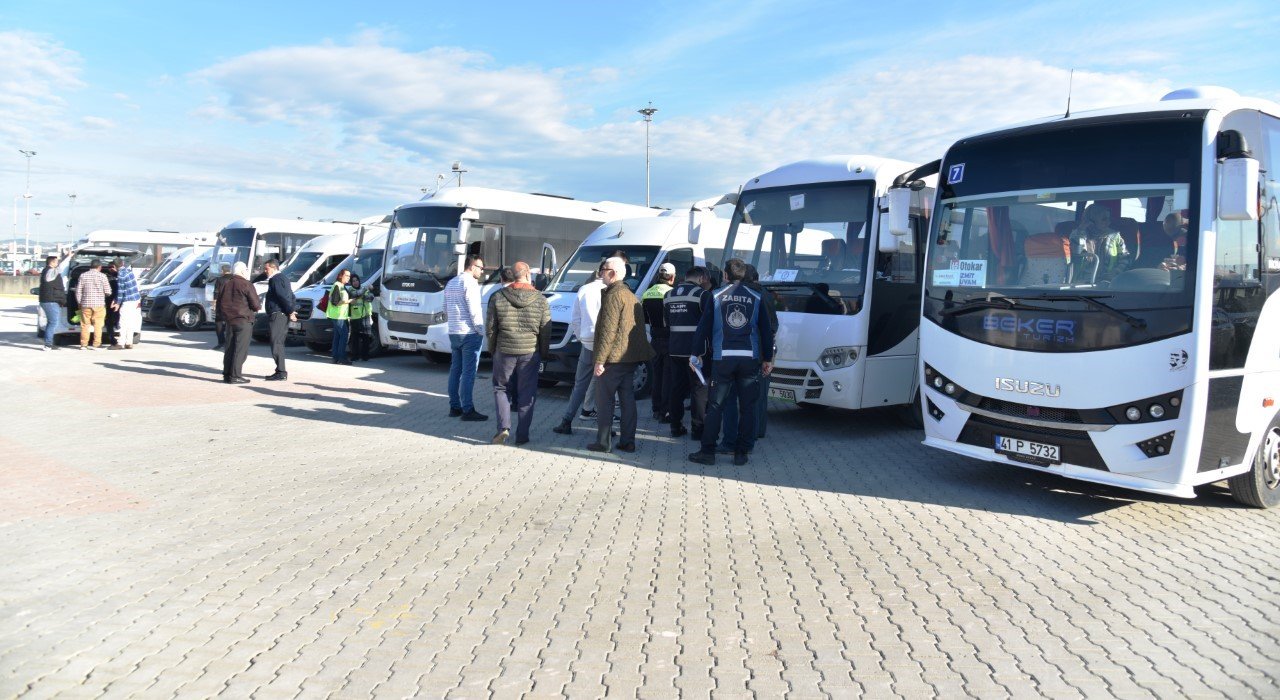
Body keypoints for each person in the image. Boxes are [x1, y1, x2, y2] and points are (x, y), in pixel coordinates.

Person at [688, 258, 775, 466]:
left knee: (716, 405)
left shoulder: (715, 295)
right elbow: (766, 329)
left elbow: (704, 327)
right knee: (748, 407)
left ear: (725, 275)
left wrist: (695, 353)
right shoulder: (756, 296)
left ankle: (708, 452)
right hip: (749, 359)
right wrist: (768, 359)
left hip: (723, 358)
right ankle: (741, 453)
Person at [588, 256, 655, 453]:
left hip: (614, 359)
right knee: (627, 400)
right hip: (629, 358)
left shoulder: (613, 295)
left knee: (605, 400)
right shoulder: (630, 295)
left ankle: (603, 442)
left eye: (604, 269)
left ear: (613, 273)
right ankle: (628, 441)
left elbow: (608, 331)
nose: (601, 273)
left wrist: (600, 360)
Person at [486, 261, 551, 446]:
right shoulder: (540, 298)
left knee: (501, 388)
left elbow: (490, 328)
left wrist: (492, 349)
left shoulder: (497, 297)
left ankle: (503, 428)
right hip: (530, 352)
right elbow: (545, 329)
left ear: (512, 275)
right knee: (527, 392)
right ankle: (522, 435)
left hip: (504, 350)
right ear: (528, 274)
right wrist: (544, 353)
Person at [717, 264, 779, 451]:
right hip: (759, 354)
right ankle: (754, 434)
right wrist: (768, 355)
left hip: (738, 352)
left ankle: (731, 439)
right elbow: (772, 326)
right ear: (756, 278)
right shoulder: (765, 296)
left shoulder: (737, 294)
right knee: (756, 398)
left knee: (731, 399)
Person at [552, 259, 608, 435]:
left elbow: (575, 319)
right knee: (606, 387)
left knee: (580, 385)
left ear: (597, 272)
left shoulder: (584, 289)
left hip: (587, 343)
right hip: (606, 344)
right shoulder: (612, 290)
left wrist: (582, 336)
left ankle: (566, 421)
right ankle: (605, 428)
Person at [665, 266, 712, 439]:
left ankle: (675, 427)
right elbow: (709, 322)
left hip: (675, 349)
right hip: (697, 352)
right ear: (701, 278)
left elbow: (667, 322)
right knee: (699, 390)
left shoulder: (668, 295)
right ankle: (698, 430)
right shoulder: (702, 295)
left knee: (677, 388)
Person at [444, 254, 488, 421]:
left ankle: (454, 407)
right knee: (469, 373)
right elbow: (474, 310)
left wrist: (454, 323)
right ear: (472, 266)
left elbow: (445, 308)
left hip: (454, 332)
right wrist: (480, 330)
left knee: (455, 370)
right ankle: (468, 409)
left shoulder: (451, 282)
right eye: (480, 268)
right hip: (469, 333)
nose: (482, 271)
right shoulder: (470, 283)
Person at [641, 262, 676, 422]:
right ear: (672, 277)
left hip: (654, 338)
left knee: (656, 374)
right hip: (670, 338)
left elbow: (645, 318)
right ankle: (665, 410)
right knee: (668, 375)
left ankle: (655, 408)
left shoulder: (647, 293)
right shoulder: (672, 293)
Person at [215, 261, 260, 384]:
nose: (247, 271)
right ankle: (235, 375)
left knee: (229, 347)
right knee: (240, 349)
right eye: (246, 269)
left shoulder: (226, 284)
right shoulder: (246, 284)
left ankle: (227, 374)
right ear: (242, 271)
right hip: (243, 320)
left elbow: (219, 302)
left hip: (229, 320)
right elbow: (256, 304)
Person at [1071, 203, 1128, 282]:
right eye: (1104, 219)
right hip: (1081, 282)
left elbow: (1125, 258)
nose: (1108, 222)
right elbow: (1075, 254)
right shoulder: (1077, 235)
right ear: (1091, 221)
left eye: (1109, 219)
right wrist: (1081, 230)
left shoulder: (1115, 236)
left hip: (1107, 282)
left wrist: (1115, 272)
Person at [262, 259, 296, 381]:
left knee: (276, 343)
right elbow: (292, 296)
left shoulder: (275, 279)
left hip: (278, 314)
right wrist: (291, 309)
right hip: (282, 314)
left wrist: (290, 311)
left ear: (274, 267)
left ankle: (281, 372)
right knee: (278, 343)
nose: (265, 271)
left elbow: (282, 296)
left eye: (267, 268)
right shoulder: (284, 278)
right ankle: (280, 370)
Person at [75, 259, 112, 350]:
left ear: (90, 266)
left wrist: (79, 302)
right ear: (100, 267)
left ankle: (84, 345)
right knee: (98, 325)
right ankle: (96, 344)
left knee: (84, 325)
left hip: (85, 304)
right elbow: (108, 292)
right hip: (99, 305)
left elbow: (78, 291)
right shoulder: (103, 276)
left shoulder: (83, 275)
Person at [109, 259, 142, 350]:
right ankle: (129, 342)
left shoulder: (121, 275)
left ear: (114, 267)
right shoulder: (129, 272)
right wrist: (116, 300)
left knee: (123, 322)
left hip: (127, 301)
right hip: (135, 300)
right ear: (123, 263)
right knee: (130, 321)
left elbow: (121, 291)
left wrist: (117, 303)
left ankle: (120, 343)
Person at [325, 269, 353, 365]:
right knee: (344, 336)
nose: (348, 277)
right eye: (346, 275)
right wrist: (348, 301)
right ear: (341, 275)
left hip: (340, 315)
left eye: (349, 276)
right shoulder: (337, 285)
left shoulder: (341, 286)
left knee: (337, 336)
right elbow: (335, 302)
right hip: (338, 315)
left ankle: (335, 357)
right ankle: (342, 358)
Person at [38, 254, 65, 351]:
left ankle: (48, 343)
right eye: (56, 262)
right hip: (50, 301)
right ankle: (48, 344)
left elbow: (59, 269)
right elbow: (60, 269)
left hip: (49, 301)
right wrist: (67, 257)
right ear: (52, 262)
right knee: (53, 322)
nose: (57, 264)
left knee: (52, 322)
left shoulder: (47, 271)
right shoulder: (50, 271)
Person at [347, 273, 375, 362]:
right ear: (351, 283)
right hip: (355, 317)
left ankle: (365, 356)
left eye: (357, 280)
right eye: (353, 281)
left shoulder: (363, 289)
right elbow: (356, 294)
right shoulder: (350, 290)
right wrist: (364, 291)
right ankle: (355, 356)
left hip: (365, 316)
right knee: (355, 338)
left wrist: (365, 294)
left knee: (366, 337)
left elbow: (370, 297)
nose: (355, 282)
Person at [212, 263, 233, 350]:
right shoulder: (234, 278)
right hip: (232, 304)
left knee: (219, 322)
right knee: (230, 323)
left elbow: (216, 292)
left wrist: (214, 303)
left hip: (221, 304)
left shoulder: (220, 280)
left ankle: (221, 342)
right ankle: (230, 342)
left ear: (222, 271)